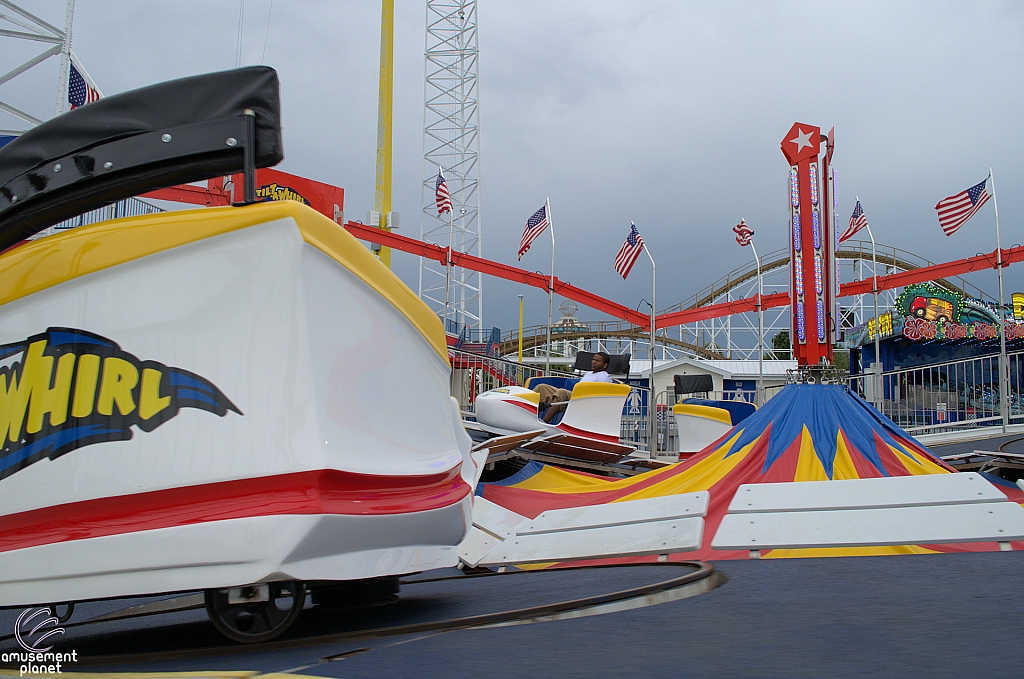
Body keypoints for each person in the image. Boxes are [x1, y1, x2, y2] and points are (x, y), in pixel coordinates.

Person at [534, 353, 615, 423]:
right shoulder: (589, 373)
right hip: (575, 395)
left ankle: (544, 422)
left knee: (561, 392)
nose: (594, 362)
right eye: (593, 359)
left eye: (598, 361)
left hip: (583, 400)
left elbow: (601, 395)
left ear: (605, 365)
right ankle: (528, 412)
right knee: (541, 387)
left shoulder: (604, 376)